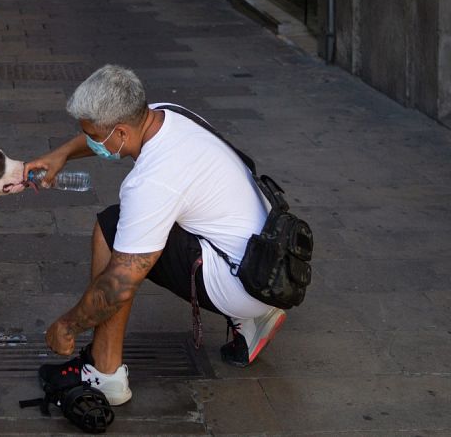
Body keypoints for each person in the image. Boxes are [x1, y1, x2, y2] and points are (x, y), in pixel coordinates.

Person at [23, 65, 286, 406]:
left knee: (114, 228)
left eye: (92, 135)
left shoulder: (151, 181)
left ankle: (105, 374)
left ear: (119, 133)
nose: (89, 142)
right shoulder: (165, 114)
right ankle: (251, 318)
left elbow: (118, 286)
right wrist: (61, 154)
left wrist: (67, 326)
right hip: (270, 259)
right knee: (150, 223)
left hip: (242, 281)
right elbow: (106, 135)